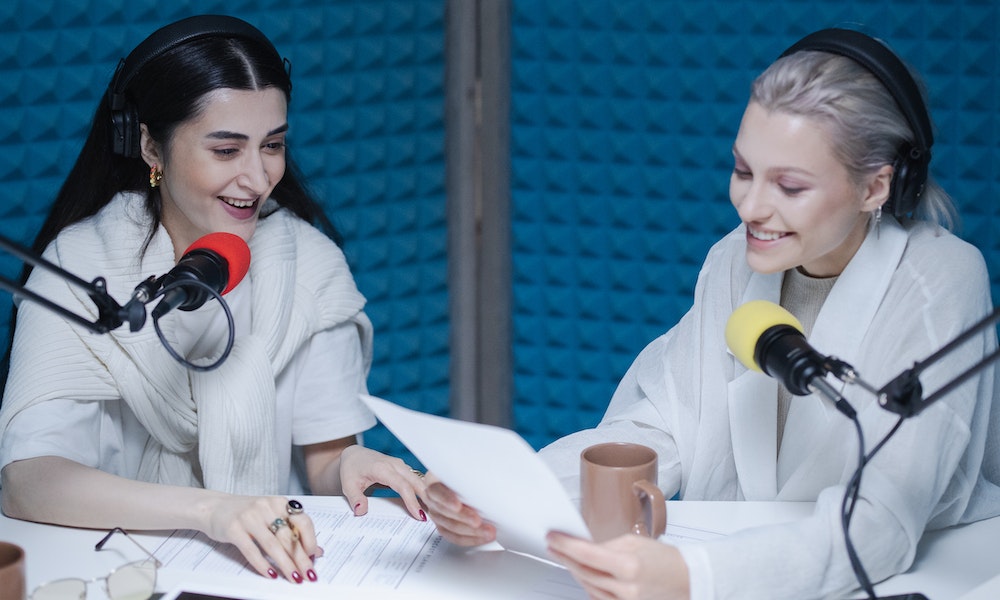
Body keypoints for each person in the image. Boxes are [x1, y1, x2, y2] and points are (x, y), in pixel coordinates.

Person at [424, 28, 1000, 599]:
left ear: (877, 186)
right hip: (753, 556)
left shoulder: (941, 281)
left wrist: (697, 578)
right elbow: (662, 425)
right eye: (743, 171)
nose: (750, 207)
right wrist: (503, 497)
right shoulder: (735, 258)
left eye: (790, 186)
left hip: (922, 578)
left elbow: (881, 524)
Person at [0, 15, 427, 585]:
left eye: (272, 145)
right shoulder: (79, 268)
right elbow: (31, 482)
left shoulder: (311, 267)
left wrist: (352, 464)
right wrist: (212, 512)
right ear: (149, 143)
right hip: (112, 574)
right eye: (226, 150)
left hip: (271, 571)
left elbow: (325, 461)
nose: (257, 177)